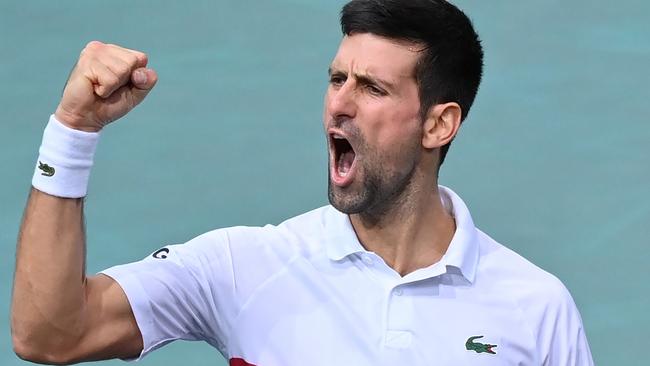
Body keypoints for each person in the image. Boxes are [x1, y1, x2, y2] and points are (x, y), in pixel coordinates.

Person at [11, 0, 594, 365]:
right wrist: (74, 130)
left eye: (372, 88)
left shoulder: (536, 309)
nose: (337, 105)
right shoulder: (242, 267)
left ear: (438, 124)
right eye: (336, 78)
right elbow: (51, 335)